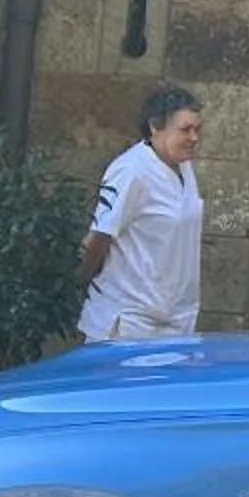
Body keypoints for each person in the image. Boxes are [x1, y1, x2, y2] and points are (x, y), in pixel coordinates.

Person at [80, 85, 206, 341]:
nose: (194, 137)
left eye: (197, 129)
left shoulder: (184, 167)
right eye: (185, 129)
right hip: (129, 320)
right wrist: (79, 280)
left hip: (174, 321)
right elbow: (99, 238)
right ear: (155, 128)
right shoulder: (131, 171)